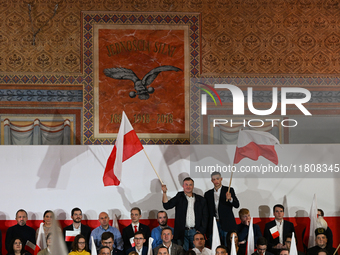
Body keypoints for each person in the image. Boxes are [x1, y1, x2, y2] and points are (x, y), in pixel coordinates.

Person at [162, 177, 208, 251]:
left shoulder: (201, 199)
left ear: (193, 186)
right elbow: (167, 206)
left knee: (198, 252)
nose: (188, 187)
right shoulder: (179, 196)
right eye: (186, 184)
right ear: (183, 186)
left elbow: (205, 216)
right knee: (182, 252)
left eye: (190, 185)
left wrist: (201, 230)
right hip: (181, 232)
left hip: (195, 231)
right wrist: (164, 193)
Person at [204, 172, 239, 246]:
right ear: (211, 181)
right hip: (213, 224)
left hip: (227, 224)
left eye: (217, 178)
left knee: (227, 245)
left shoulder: (229, 190)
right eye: (214, 179)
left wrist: (230, 199)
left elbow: (237, 205)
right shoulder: (208, 194)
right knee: (214, 246)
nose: (216, 181)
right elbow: (206, 211)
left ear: (221, 179)